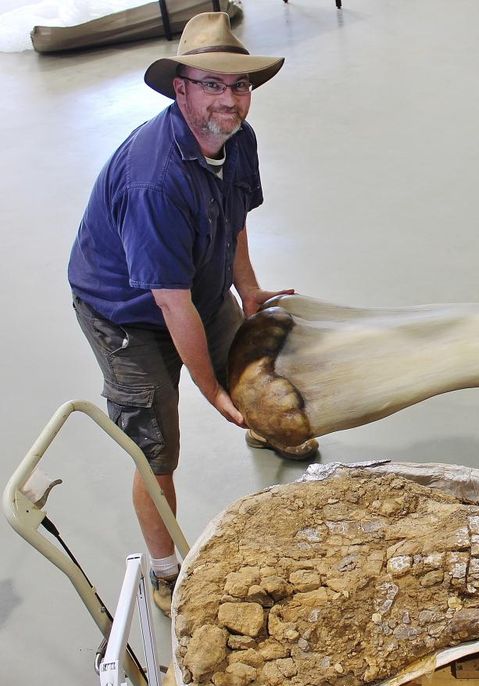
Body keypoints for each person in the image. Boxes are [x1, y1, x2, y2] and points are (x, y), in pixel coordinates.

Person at [68, 12, 317, 614]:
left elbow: (234, 223)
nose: (229, 99)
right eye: (212, 84)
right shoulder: (152, 181)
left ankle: (259, 422)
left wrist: (248, 293)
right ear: (180, 87)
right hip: (127, 314)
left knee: (255, 359)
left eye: (239, 85)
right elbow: (168, 304)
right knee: (156, 449)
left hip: (195, 283)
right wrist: (211, 393)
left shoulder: (236, 139)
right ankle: (164, 568)